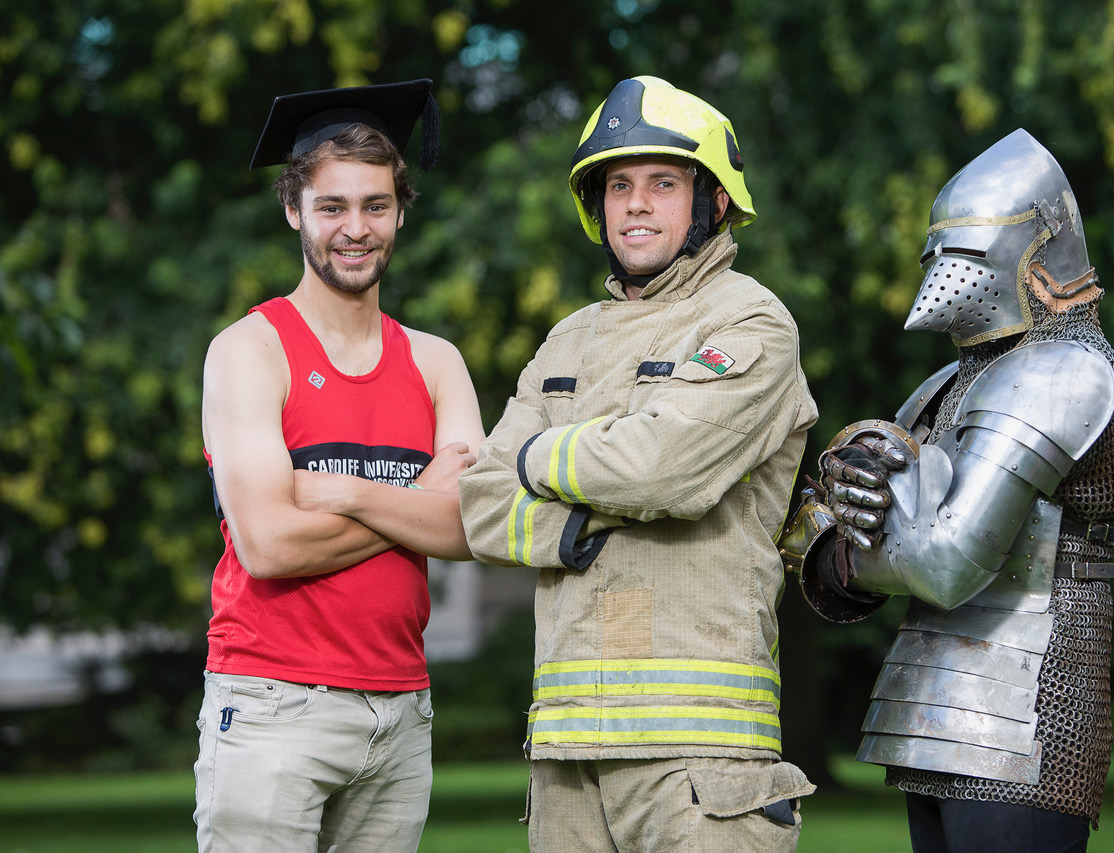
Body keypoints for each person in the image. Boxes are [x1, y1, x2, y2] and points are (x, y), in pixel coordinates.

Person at [457, 76, 819, 852]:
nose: (637, 204)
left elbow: (666, 468)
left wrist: (534, 454)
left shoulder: (750, 318)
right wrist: (567, 522)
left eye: (663, 182)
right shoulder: (566, 338)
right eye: (618, 185)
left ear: (714, 202)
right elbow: (482, 503)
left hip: (702, 759)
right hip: (563, 749)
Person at [780, 129, 1114, 852]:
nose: (948, 276)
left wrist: (836, 541)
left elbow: (944, 561)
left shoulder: (1062, 372)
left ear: (1039, 253)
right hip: (933, 716)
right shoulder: (947, 386)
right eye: (939, 255)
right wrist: (841, 527)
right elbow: (869, 537)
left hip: (1024, 713)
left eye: (971, 252)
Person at [195, 78, 484, 853]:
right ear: (293, 209)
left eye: (376, 206)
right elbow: (270, 545)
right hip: (271, 705)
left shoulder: (436, 362)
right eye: (332, 207)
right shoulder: (248, 352)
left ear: (400, 210)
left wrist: (347, 490)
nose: (355, 229)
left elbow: (469, 525)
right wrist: (415, 496)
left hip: (401, 713)